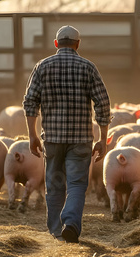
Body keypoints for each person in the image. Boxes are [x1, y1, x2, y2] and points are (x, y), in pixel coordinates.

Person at [23, 25, 111, 243]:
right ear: (78, 44)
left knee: (54, 185)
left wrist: (32, 135)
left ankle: (56, 231)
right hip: (80, 139)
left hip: (52, 138)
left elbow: (30, 101)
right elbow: (103, 103)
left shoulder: (42, 66)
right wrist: (102, 137)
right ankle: (70, 223)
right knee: (77, 184)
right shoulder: (88, 67)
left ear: (56, 43)